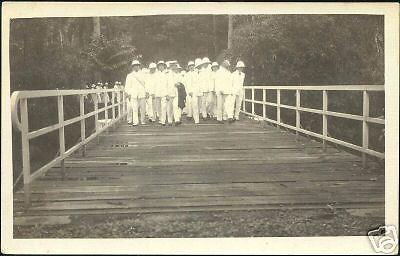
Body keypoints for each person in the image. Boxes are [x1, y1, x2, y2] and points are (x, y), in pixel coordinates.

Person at [124, 60, 147, 126]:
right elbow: (127, 85)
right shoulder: (130, 75)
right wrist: (128, 93)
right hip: (133, 94)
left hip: (142, 93)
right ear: (132, 67)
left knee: (143, 109)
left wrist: (147, 92)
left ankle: (143, 121)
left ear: (139, 66)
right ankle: (135, 122)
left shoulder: (143, 74)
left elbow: (147, 84)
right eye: (134, 66)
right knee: (134, 109)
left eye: (137, 65)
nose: (136, 67)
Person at [155, 60, 168, 126]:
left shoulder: (167, 73)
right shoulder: (156, 74)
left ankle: (163, 120)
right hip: (157, 93)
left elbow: (168, 84)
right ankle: (160, 118)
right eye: (159, 65)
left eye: (162, 65)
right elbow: (154, 84)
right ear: (158, 67)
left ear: (164, 66)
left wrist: (167, 93)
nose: (161, 67)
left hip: (164, 93)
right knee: (158, 107)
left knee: (164, 107)